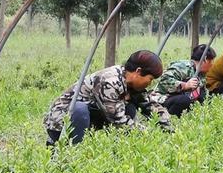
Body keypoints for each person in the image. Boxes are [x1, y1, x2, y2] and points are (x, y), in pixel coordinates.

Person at [43, 50, 171, 146]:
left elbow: (148, 104)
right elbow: (118, 120)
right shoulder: (110, 81)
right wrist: (147, 133)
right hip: (62, 120)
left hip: (90, 115)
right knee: (79, 109)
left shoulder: (130, 83)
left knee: (129, 107)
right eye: (150, 79)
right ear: (138, 71)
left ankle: (120, 150)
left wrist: (169, 129)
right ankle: (73, 152)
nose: (150, 84)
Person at [150, 44, 216, 117]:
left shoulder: (201, 73)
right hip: (163, 100)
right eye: (212, 61)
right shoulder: (182, 67)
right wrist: (185, 85)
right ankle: (167, 119)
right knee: (184, 100)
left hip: (182, 98)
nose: (212, 65)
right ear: (205, 59)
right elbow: (165, 80)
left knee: (205, 97)